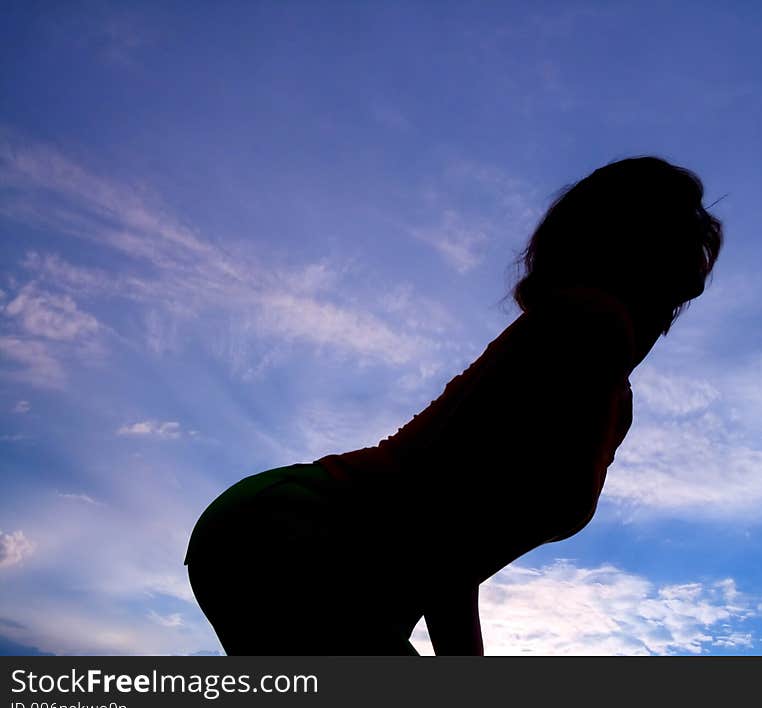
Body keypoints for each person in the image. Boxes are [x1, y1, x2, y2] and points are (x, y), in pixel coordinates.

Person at [184, 155, 724, 655]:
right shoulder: (586, 323)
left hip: (334, 564)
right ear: (630, 244)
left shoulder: (612, 393)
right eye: (679, 232)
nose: (700, 243)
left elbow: (454, 543)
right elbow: (444, 517)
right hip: (295, 535)